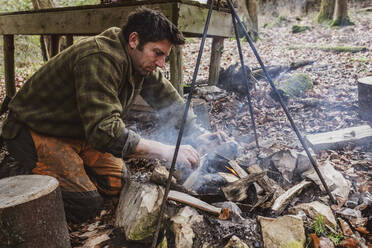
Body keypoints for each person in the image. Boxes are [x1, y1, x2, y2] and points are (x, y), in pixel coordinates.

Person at [1, 7, 203, 223]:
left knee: (117, 182)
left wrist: (198, 134)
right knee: (84, 203)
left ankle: (70, 166)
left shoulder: (138, 61)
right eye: (158, 53)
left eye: (165, 56)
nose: (161, 63)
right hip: (32, 129)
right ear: (134, 40)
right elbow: (105, 132)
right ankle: (14, 172)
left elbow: (169, 101)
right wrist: (165, 150)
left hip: (77, 132)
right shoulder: (100, 57)